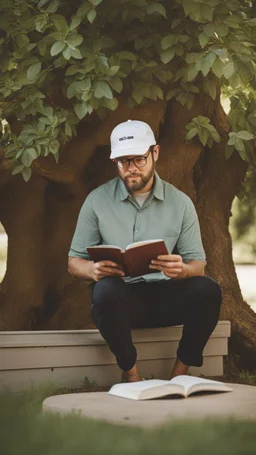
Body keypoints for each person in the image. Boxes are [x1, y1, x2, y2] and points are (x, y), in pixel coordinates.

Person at [68, 120, 222, 383]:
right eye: (123, 162)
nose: (131, 169)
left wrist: (183, 270)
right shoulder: (97, 200)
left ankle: (180, 375)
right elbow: (73, 263)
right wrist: (93, 270)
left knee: (208, 289)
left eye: (139, 159)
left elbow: (199, 265)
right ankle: (131, 374)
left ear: (155, 153)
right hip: (121, 303)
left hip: (167, 299)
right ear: (114, 161)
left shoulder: (181, 203)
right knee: (104, 290)